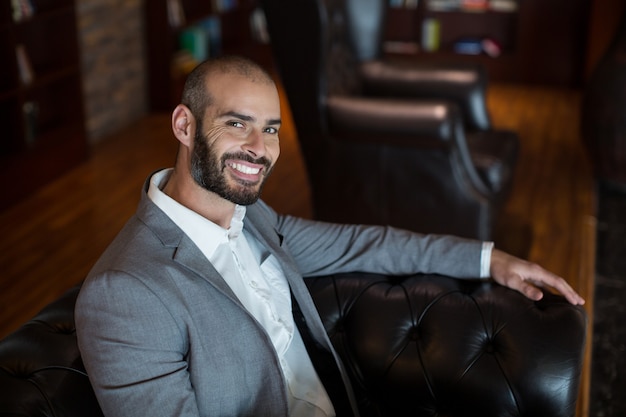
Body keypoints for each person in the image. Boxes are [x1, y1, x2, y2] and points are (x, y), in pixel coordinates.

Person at [75, 55, 585, 417]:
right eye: (238, 124)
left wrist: (491, 260)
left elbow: (367, 243)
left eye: (271, 129)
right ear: (184, 125)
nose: (260, 149)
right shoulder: (125, 292)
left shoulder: (253, 219)